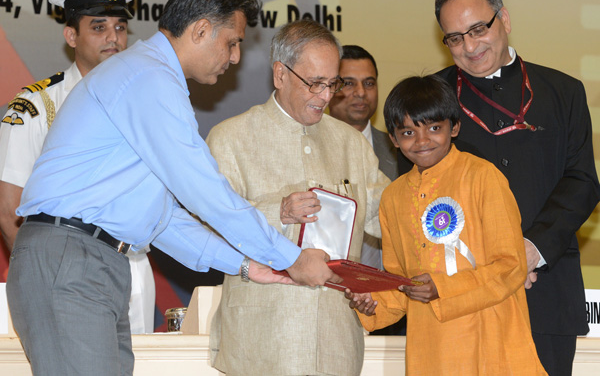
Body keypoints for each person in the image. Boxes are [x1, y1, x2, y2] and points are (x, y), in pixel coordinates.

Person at [6, 0, 338, 376]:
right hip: (73, 261)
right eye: (232, 42)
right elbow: (205, 192)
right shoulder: (149, 79)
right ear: (200, 30)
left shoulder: (150, 78)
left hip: (90, 262)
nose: (235, 57)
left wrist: (247, 266)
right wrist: (290, 258)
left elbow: (164, 220)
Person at [433, 0, 600, 375]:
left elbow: (582, 182)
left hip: (546, 294)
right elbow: (419, 195)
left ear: (504, 19)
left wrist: (531, 250)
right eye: (454, 38)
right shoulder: (430, 99)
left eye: (477, 29)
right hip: (462, 298)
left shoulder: (564, 91)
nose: (469, 47)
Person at [207, 19, 390, 376]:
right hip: (262, 343)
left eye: (331, 83)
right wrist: (277, 212)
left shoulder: (351, 144)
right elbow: (209, 231)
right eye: (315, 83)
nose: (325, 96)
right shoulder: (230, 138)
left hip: (336, 345)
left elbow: (390, 216)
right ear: (280, 74)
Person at [347, 74, 547, 375]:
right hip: (431, 350)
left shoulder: (483, 177)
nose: (422, 141)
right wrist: (372, 302)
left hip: (491, 342)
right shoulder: (393, 197)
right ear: (393, 139)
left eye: (434, 128)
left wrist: (442, 287)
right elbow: (401, 282)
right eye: (408, 132)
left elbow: (511, 266)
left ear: (454, 127)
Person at [0, 0, 156, 335]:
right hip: (65, 269)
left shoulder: (144, 104)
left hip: (134, 264)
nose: (114, 39)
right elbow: (10, 212)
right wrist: (47, 278)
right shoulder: (36, 106)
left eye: (120, 28)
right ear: (71, 35)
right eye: (99, 28)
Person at [329, 44, 400, 270]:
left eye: (369, 83)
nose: (361, 92)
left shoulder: (403, 151)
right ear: (329, 87)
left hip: (388, 293)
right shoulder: (307, 148)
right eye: (348, 83)